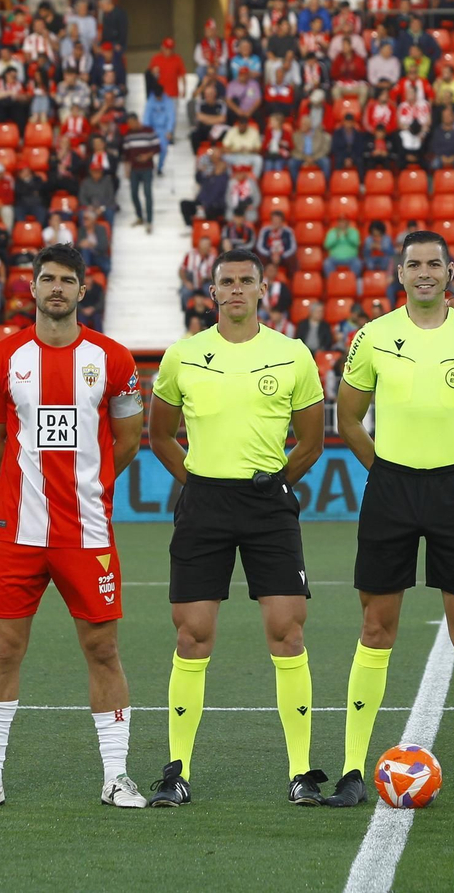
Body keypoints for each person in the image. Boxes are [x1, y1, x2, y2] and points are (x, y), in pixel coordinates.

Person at [326, 230, 454, 808]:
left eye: (435, 263)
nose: (425, 272)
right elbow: (349, 416)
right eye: (415, 264)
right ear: (401, 273)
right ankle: (352, 771)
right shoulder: (374, 337)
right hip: (392, 491)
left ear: (450, 272)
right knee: (376, 627)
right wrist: (381, 470)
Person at [0, 245, 147, 810]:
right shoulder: (1, 358)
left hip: (87, 533)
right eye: (47, 279)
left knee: (103, 649)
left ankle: (116, 777)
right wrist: (27, 485)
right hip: (17, 532)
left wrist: (88, 488)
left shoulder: (112, 358)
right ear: (32, 289)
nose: (56, 288)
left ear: (82, 290)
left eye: (67, 280)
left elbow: (128, 438)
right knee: (5, 648)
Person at [145, 247, 327, 807]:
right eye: (228, 281)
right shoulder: (183, 355)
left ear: (262, 288)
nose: (237, 290)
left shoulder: (292, 355)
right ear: (213, 291)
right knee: (191, 634)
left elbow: (313, 440)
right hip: (205, 504)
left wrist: (275, 484)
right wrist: (197, 480)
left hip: (267, 504)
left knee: (287, 631)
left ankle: (301, 772)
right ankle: (177, 771)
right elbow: (160, 434)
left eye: (247, 280)